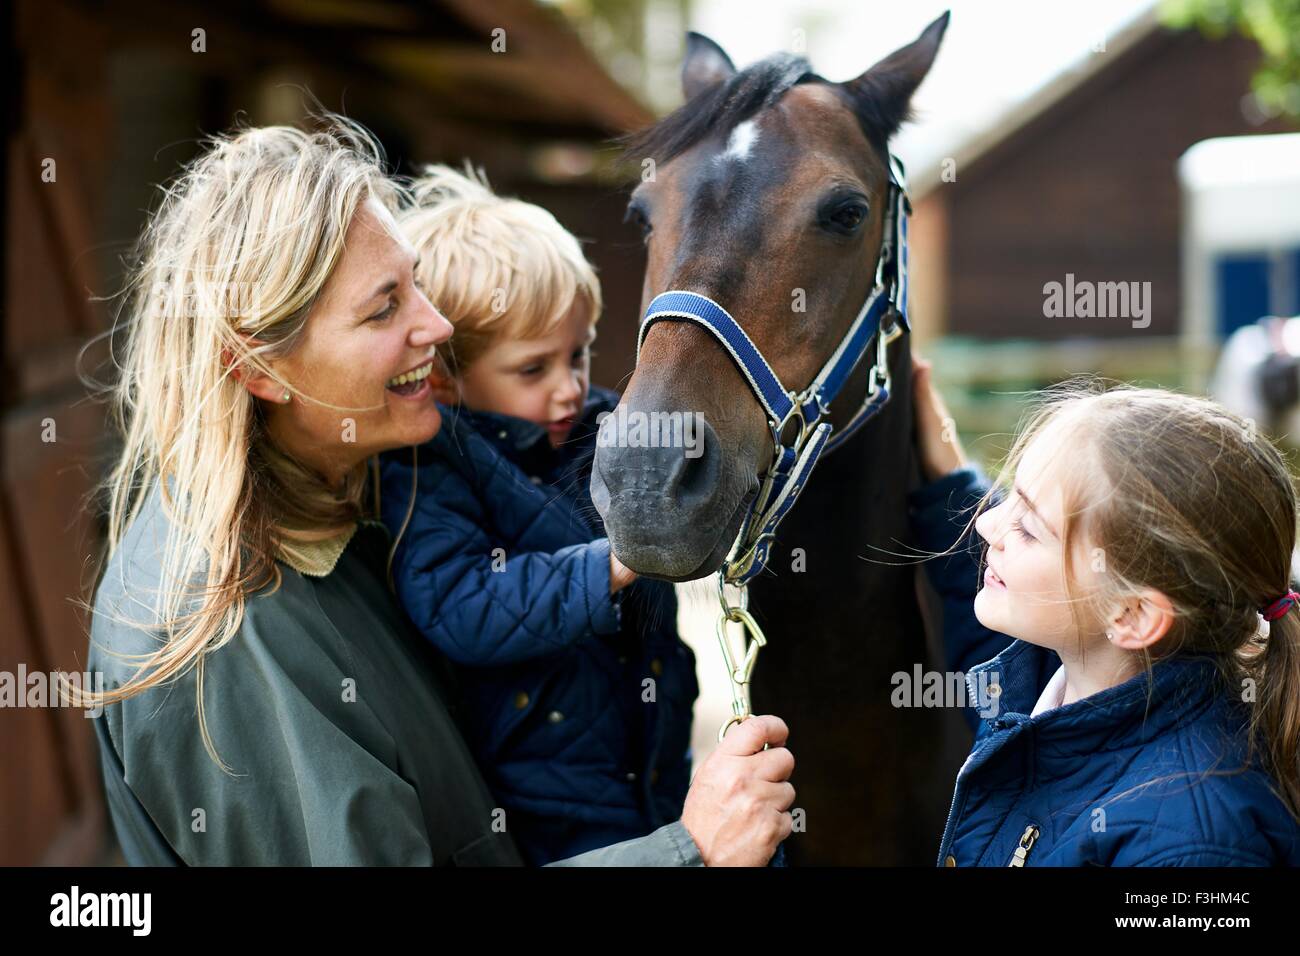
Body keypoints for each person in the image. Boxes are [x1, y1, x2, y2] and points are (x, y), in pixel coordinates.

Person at [83, 117, 794, 866]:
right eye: (384, 307)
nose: (439, 323)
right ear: (259, 368)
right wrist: (692, 851)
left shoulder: (364, 500)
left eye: (416, 282)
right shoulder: (225, 635)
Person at [378, 166, 697, 864]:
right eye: (533, 369)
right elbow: (459, 603)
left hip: (653, 752)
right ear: (445, 377)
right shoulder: (435, 471)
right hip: (544, 793)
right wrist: (608, 567)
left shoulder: (600, 428)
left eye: (577, 355)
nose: (569, 387)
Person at [908, 353, 1300, 865]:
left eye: (1028, 527)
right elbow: (984, 613)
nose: (986, 527)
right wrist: (949, 476)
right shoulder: (1063, 682)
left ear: (1133, 615)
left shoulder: (1191, 845)